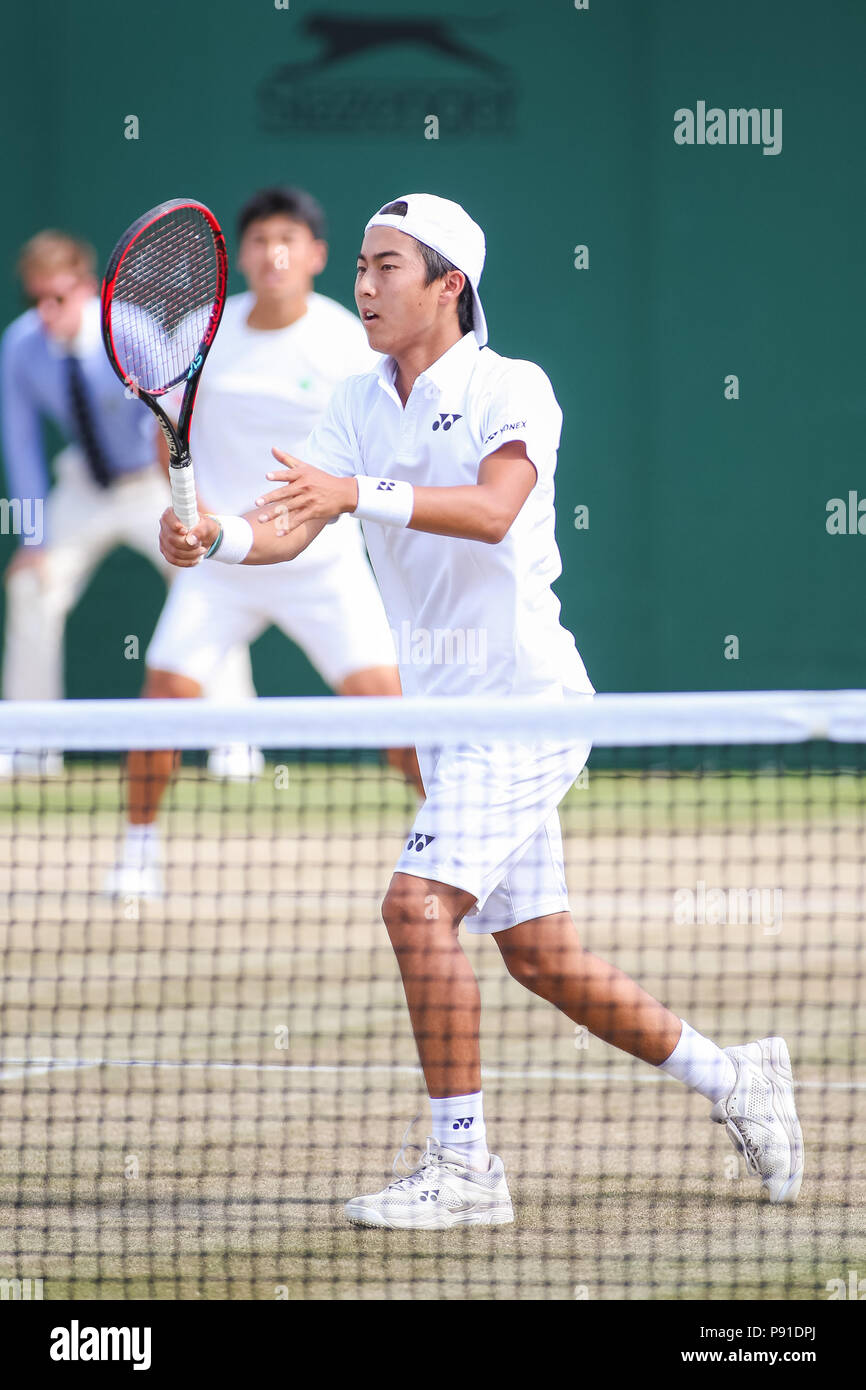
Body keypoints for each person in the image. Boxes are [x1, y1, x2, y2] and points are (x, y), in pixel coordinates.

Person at [158, 193, 805, 1227]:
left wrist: (355, 495)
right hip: (448, 719)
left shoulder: (514, 386)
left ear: (447, 284)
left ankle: (466, 1171)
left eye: (384, 267)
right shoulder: (353, 397)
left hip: (525, 705)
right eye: (360, 268)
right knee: (541, 955)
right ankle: (737, 1079)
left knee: (414, 908)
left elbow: (493, 513)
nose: (362, 286)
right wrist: (216, 542)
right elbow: (290, 523)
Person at [105, 187, 414, 900]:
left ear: (316, 256)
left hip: (322, 562)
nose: (273, 253)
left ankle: (459, 848)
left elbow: (365, 453)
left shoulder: (345, 342)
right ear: (238, 255)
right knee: (164, 699)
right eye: (259, 240)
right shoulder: (203, 332)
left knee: (396, 717)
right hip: (219, 561)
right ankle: (138, 851)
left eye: (289, 240)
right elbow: (167, 436)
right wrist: (200, 516)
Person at [0, 229, 255, 778]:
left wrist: (184, 493)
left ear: (86, 288)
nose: (47, 312)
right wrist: (32, 539)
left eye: (59, 297)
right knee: (28, 586)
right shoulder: (20, 346)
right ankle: (28, 749)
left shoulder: (130, 330)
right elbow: (19, 444)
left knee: (210, 585)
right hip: (84, 487)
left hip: (150, 482)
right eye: (35, 299)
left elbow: (176, 416)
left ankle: (236, 746)